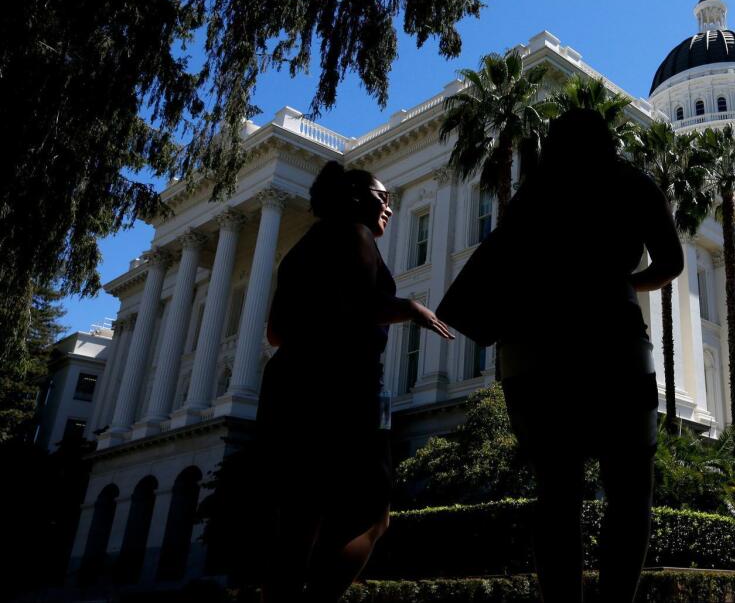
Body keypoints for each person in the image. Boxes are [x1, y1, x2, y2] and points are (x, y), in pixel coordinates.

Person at [496, 108, 684, 602]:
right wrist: (623, 282)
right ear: (607, 141)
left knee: (556, 490)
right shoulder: (632, 183)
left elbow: (502, 269)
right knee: (629, 487)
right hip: (612, 341)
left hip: (536, 346)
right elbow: (672, 262)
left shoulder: (531, 196)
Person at [257, 161, 454, 603]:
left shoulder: (302, 250)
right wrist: (409, 309)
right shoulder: (355, 234)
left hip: (287, 385)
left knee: (297, 522)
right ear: (352, 198)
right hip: (344, 388)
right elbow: (359, 304)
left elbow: (275, 332)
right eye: (379, 196)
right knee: (373, 516)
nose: (387, 204)